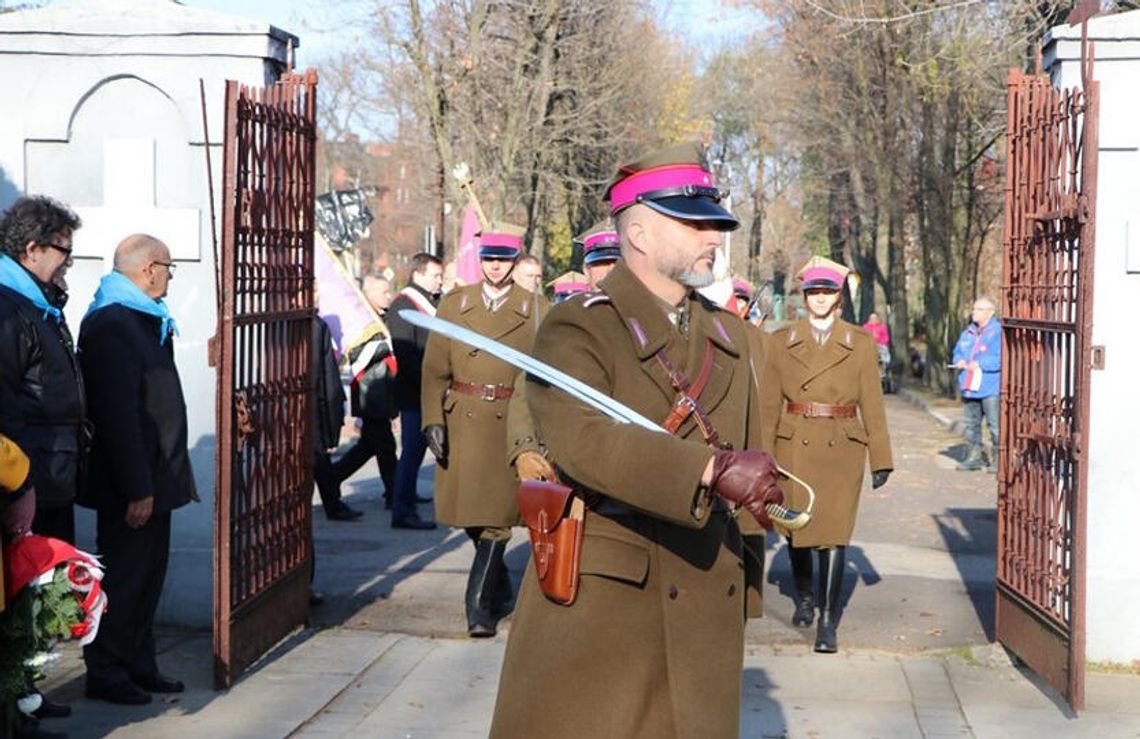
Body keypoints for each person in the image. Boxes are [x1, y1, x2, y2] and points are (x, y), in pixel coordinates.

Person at [491, 143, 784, 738]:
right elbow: (582, 440)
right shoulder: (580, 325)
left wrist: (746, 587)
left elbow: (751, 460)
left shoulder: (732, 335)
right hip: (609, 603)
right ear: (642, 233)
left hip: (705, 588)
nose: (714, 236)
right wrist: (707, 469)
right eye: (696, 222)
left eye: (717, 223)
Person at [77, 234, 197, 706]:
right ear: (149, 269)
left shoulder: (142, 319)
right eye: (168, 266)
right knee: (125, 580)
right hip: (134, 483)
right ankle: (107, 671)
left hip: (155, 477)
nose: (169, 275)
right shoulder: (113, 322)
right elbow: (118, 415)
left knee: (147, 579)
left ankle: (139, 664)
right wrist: (137, 487)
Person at [760, 255, 893, 654]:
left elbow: (873, 401)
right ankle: (803, 597)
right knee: (798, 528)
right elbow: (768, 405)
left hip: (843, 446)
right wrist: (764, 458)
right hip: (793, 440)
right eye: (814, 292)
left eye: (827, 292)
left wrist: (880, 457)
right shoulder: (780, 341)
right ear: (804, 296)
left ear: (838, 297)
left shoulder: (860, 342)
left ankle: (828, 622)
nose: (820, 299)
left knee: (834, 536)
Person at [421, 224, 546, 637]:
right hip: (462, 418)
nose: (495, 267)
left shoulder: (536, 309)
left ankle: (478, 610)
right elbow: (434, 369)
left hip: (509, 419)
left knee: (495, 519)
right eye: (489, 259)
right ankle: (502, 590)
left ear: (515, 261)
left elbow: (542, 375)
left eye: (503, 260)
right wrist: (432, 420)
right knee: (472, 516)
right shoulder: (455, 304)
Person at [0, 196, 85, 546]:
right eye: (64, 251)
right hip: (29, 484)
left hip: (48, 477)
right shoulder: (8, 310)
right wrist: (22, 487)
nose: (69, 263)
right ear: (33, 249)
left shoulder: (35, 303)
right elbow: (4, 408)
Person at [326, 276, 398, 515]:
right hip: (370, 391)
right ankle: (395, 494)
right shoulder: (362, 319)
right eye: (384, 291)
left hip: (381, 391)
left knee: (369, 445)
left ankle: (332, 477)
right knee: (385, 445)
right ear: (369, 294)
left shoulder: (379, 316)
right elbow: (358, 352)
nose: (388, 295)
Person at [385, 253, 443, 530]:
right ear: (418, 275)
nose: (439, 281)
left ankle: (406, 499)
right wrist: (433, 380)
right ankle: (402, 510)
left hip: (428, 389)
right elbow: (406, 353)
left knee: (418, 453)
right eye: (435, 275)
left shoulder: (431, 302)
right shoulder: (403, 305)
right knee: (412, 451)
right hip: (414, 391)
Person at [312, 309, 356, 521]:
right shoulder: (315, 325)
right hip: (311, 405)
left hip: (294, 404)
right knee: (318, 458)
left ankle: (332, 503)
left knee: (318, 460)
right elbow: (325, 377)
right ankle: (332, 504)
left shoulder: (314, 324)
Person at [952, 297, 1001, 473]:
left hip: (990, 387)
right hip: (969, 387)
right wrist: (959, 361)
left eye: (978, 309)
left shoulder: (997, 333)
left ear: (990, 312)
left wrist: (980, 363)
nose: (974, 312)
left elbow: (1001, 359)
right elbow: (957, 352)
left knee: (995, 425)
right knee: (971, 425)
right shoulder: (968, 333)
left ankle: (999, 460)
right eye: (974, 309)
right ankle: (975, 457)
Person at [578, 223, 621, 288]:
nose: (610, 269)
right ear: (586, 270)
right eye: (602, 262)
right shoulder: (577, 298)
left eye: (619, 262)